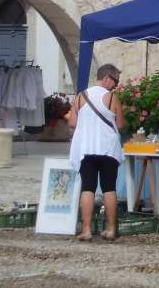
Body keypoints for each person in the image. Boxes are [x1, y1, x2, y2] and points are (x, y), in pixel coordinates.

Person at [67, 63, 126, 242]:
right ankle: (111, 229)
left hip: (86, 148)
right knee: (109, 188)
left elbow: (72, 123)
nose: (116, 85)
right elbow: (121, 125)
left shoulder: (81, 96)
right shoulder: (112, 98)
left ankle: (86, 230)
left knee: (88, 188)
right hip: (108, 148)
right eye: (115, 80)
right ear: (106, 78)